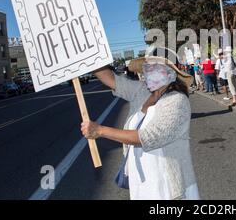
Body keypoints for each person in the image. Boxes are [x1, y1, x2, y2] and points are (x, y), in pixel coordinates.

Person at [81, 47, 200, 200]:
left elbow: (150, 136)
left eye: (157, 67)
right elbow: (109, 77)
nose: (150, 70)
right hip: (142, 182)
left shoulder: (177, 100)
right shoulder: (141, 90)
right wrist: (86, 55)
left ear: (172, 73)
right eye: (147, 66)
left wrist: (101, 130)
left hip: (167, 186)